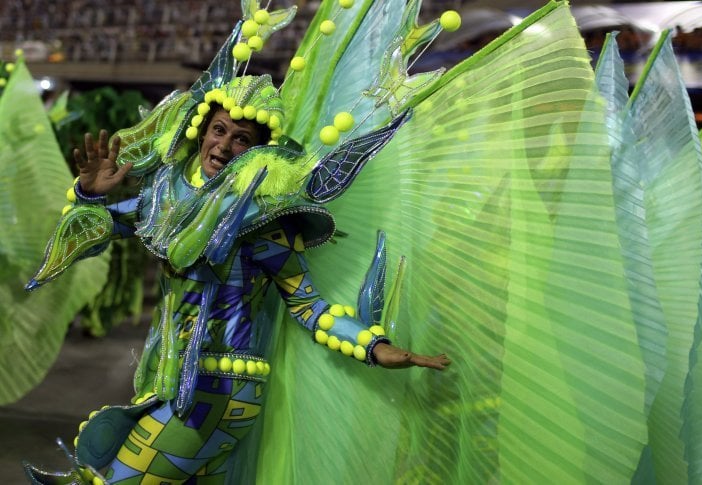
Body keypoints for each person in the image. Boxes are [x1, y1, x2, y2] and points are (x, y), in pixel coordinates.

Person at [25, 76, 449, 484]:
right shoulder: (166, 201)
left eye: (241, 139)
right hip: (166, 380)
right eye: (218, 130)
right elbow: (92, 233)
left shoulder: (261, 222)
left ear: (257, 151)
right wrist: (90, 194)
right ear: (200, 132)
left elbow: (308, 306)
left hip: (222, 389)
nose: (224, 146)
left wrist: (372, 346)